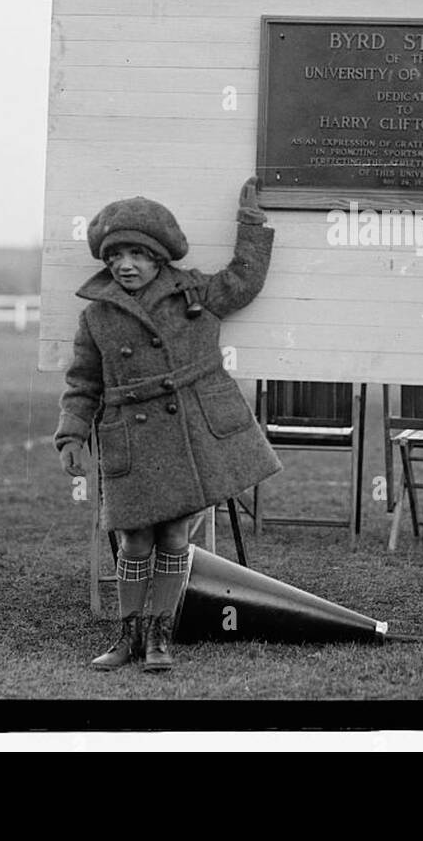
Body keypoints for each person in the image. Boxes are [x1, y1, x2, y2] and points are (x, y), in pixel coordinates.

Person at [54, 179, 282, 671]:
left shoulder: (195, 292)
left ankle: (159, 637)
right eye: (116, 255)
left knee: (176, 537)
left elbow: (243, 280)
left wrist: (250, 223)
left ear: (159, 256)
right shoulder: (96, 316)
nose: (125, 264)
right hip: (130, 441)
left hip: (189, 438)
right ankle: (128, 637)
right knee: (135, 539)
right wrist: (72, 434)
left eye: (137, 253)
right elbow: (83, 382)